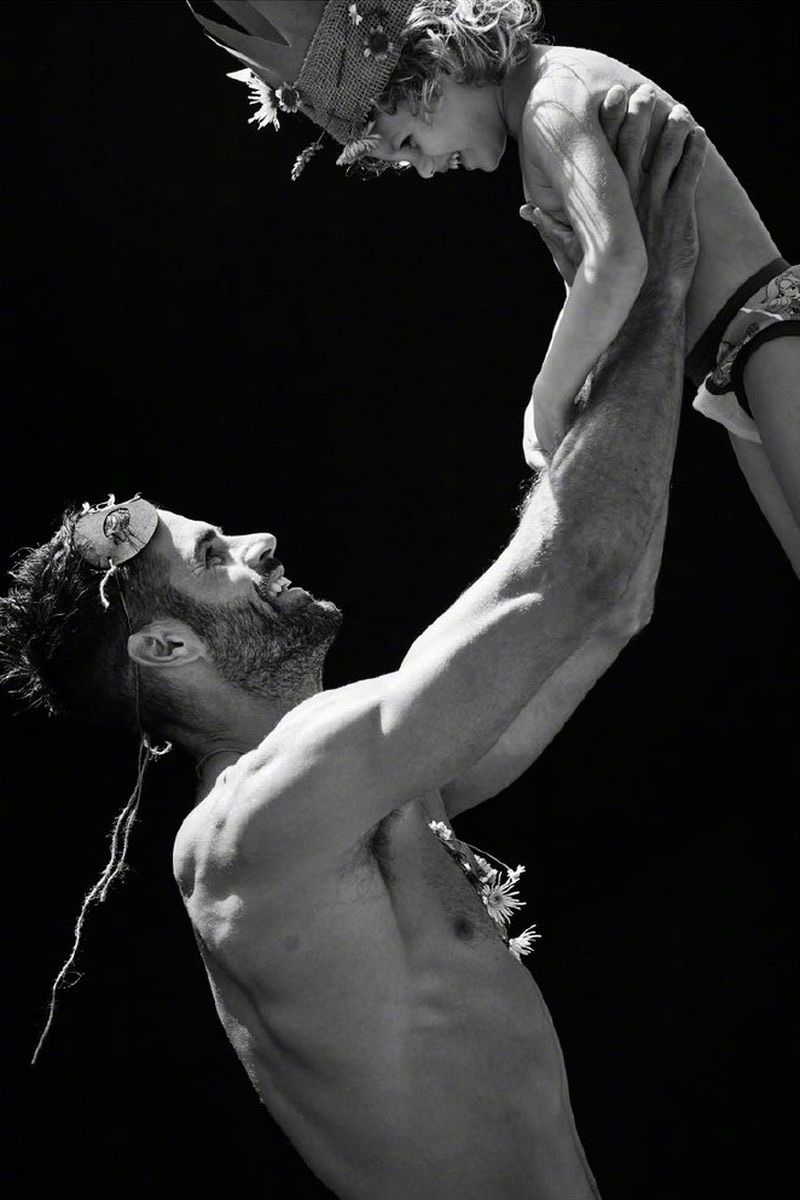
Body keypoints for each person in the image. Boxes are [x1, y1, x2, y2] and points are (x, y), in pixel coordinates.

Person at [0, 92, 705, 1197]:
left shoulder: (374, 792)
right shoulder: (256, 825)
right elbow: (571, 573)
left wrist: (612, 332)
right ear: (168, 647)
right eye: (214, 554)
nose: (259, 540)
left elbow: (606, 606)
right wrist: (655, 287)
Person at [189, 0, 799, 574]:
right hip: (729, 364)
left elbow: (615, 262)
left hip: (768, 336)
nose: (426, 170)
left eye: (408, 144)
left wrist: (547, 398)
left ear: (439, 66)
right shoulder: (539, 116)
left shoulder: (552, 100)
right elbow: (604, 284)